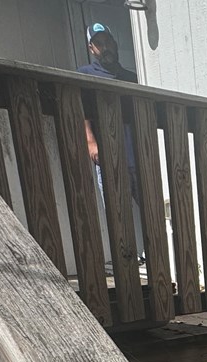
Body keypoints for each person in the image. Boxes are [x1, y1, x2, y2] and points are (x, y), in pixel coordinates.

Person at [77, 23, 143, 275]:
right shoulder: (84, 74)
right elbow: (83, 112)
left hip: (137, 155)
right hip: (108, 156)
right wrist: (90, 141)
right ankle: (125, 265)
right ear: (91, 48)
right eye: (99, 43)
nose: (105, 47)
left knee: (150, 209)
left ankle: (156, 257)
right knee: (117, 212)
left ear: (115, 44)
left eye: (108, 41)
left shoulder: (131, 77)